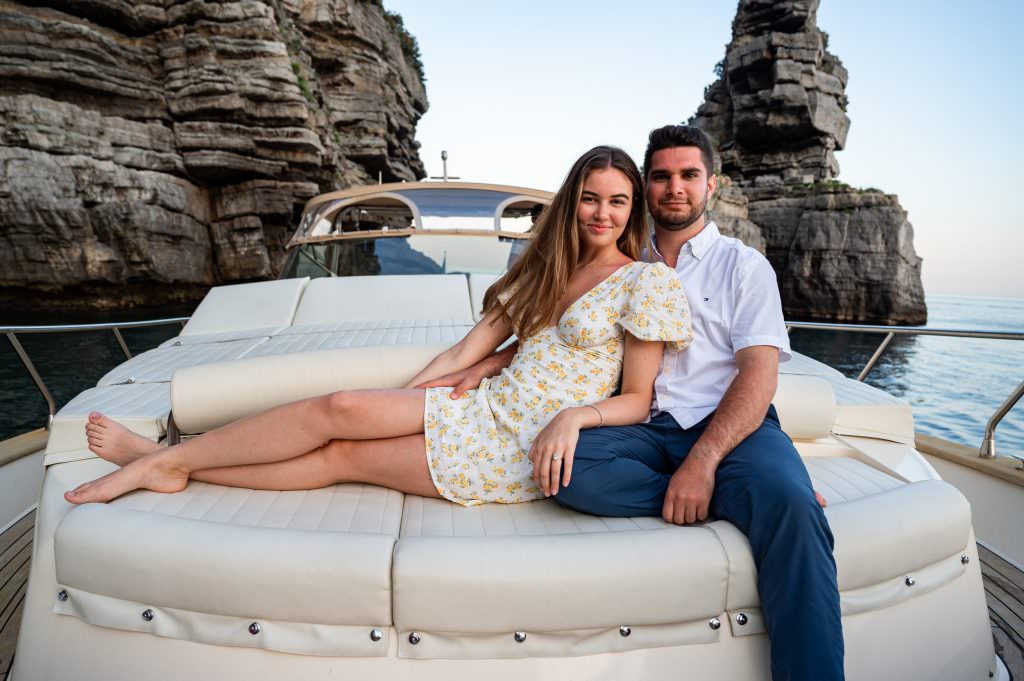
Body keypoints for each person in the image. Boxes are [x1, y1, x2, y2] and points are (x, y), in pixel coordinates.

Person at [425, 126, 844, 681]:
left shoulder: (742, 266)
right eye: (663, 176)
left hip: (727, 426)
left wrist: (703, 462)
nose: (676, 188)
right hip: (640, 425)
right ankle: (734, 498)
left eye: (689, 175)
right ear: (645, 186)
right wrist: (485, 365)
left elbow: (758, 378)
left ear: (710, 185)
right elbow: (555, 346)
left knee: (793, 510)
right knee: (568, 473)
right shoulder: (615, 261)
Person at [64, 145, 693, 507]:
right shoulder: (546, 269)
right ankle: (164, 461)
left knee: (341, 457)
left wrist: (576, 417)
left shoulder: (646, 281)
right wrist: (414, 392)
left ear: (633, 208)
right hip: (484, 404)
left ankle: (163, 462)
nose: (602, 213)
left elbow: (637, 399)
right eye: (590, 197)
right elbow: (470, 347)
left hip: (525, 444)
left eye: (617, 200)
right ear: (571, 201)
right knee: (340, 406)